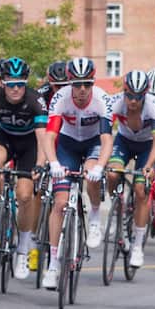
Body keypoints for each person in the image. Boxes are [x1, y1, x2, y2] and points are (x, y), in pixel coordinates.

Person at [0, 57, 56, 281]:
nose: (16, 89)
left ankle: (23, 251)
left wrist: (39, 165)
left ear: (25, 83)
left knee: (25, 195)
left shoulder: (36, 100)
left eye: (20, 84)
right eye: (10, 84)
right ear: (2, 82)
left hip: (30, 145)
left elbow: (42, 138)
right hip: (5, 138)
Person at [42, 57, 114, 289]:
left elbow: (106, 140)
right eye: (77, 84)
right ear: (70, 83)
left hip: (93, 143)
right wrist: (53, 162)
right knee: (59, 203)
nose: (82, 90)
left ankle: (94, 217)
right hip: (68, 144)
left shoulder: (102, 100)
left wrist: (101, 167)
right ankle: (53, 265)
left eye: (87, 84)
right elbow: (49, 136)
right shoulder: (60, 99)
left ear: (93, 83)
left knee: (91, 173)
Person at [105, 69, 155, 269]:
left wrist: (148, 167)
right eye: (129, 95)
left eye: (138, 97)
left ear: (145, 95)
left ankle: (137, 245)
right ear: (124, 92)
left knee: (141, 191)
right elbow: (103, 134)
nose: (133, 101)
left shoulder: (154, 107)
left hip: (147, 146)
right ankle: (116, 209)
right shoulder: (115, 103)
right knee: (112, 174)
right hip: (124, 141)